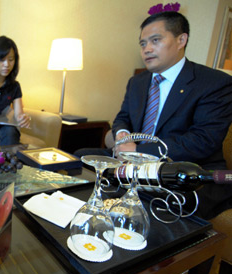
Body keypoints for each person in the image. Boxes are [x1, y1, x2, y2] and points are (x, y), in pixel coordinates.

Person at [75, 11, 232, 220]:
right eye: (142, 44)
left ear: (181, 40)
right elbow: (123, 117)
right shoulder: (138, 82)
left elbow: (203, 141)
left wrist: (139, 150)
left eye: (155, 40)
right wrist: (122, 135)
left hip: (182, 169)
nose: (147, 49)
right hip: (131, 162)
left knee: (154, 200)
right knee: (79, 158)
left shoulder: (213, 83)